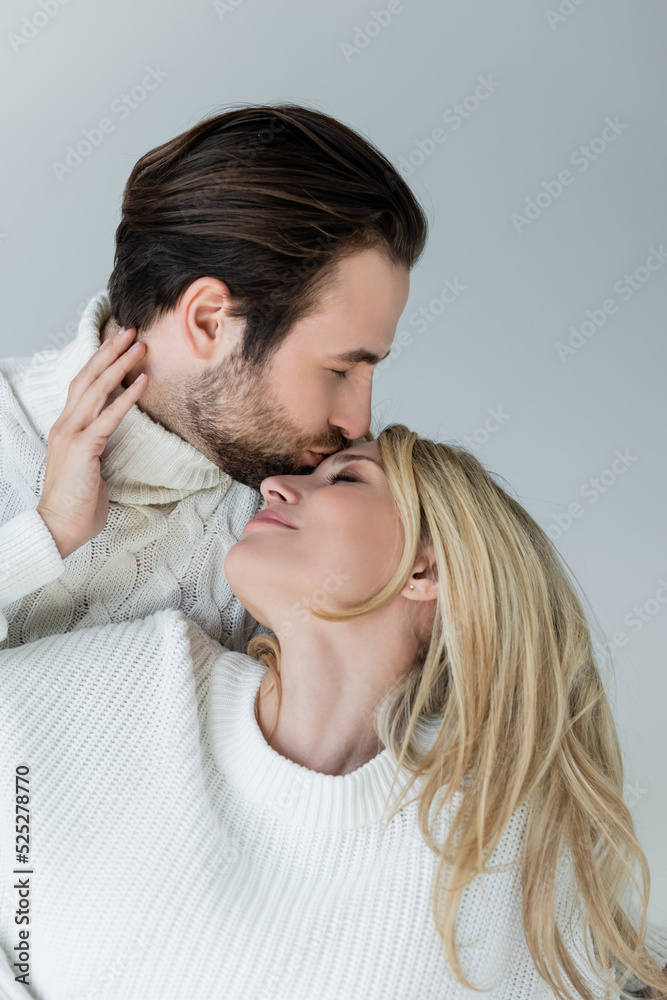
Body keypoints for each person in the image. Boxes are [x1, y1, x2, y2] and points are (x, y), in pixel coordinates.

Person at [1, 424, 666, 999]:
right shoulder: (144, 682)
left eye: (345, 480)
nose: (276, 488)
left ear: (424, 569)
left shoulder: (489, 833)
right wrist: (43, 536)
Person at [0, 102, 426, 650]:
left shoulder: (285, 531)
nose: (358, 421)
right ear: (208, 321)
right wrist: (45, 536)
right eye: (340, 368)